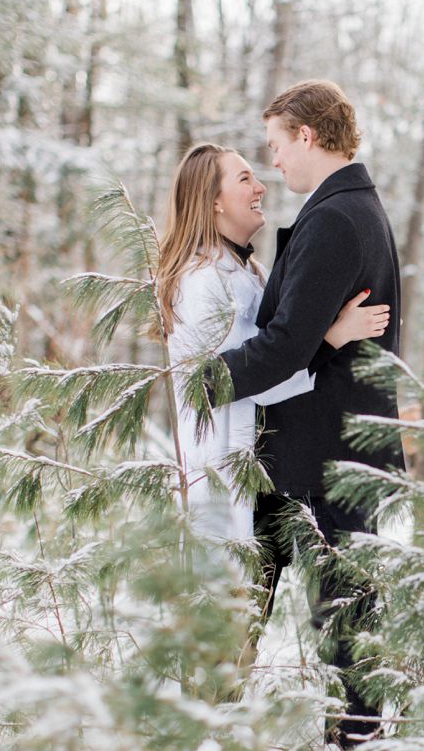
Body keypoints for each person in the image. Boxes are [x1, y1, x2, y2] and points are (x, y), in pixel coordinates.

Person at [212, 80, 404, 748]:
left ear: (307, 135)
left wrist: (203, 380)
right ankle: (212, 728)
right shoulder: (353, 208)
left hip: (323, 461)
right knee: (303, 618)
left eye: (276, 146)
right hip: (324, 453)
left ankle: (350, 748)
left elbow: (287, 345)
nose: (275, 166)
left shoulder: (335, 219)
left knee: (343, 633)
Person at [155, 142, 389, 543]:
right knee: (229, 594)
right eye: (245, 179)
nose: (260, 187)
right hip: (220, 467)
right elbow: (255, 373)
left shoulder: (250, 272)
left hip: (254, 469)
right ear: (214, 201)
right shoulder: (203, 282)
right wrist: (335, 334)